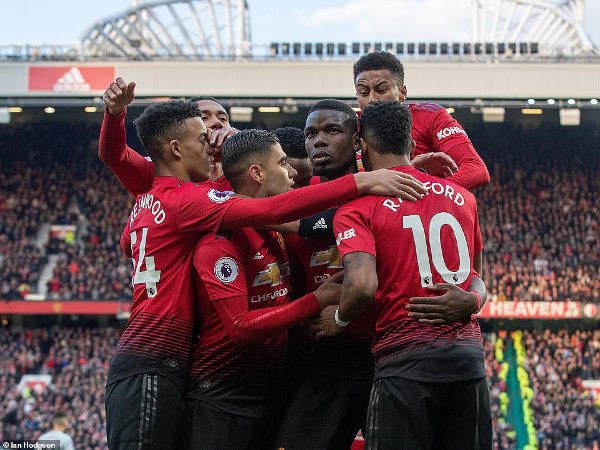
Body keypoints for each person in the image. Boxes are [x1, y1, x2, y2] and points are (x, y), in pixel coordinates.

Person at [102, 93, 426, 449]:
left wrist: (408, 166)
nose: (211, 141)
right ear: (176, 148)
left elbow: (127, 231)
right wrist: (363, 183)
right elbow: (269, 211)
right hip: (189, 375)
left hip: (210, 372)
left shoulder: (156, 196)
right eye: (203, 133)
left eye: (221, 120)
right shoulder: (200, 214)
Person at [275, 99, 487, 450]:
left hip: (391, 351)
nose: (319, 141)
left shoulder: (367, 203)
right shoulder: (297, 196)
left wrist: (339, 316)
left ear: (358, 143)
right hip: (332, 357)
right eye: (310, 134)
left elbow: (361, 282)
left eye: (332, 130)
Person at [182, 129, 344, 449]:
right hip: (223, 398)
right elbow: (240, 327)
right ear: (257, 173)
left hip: (267, 390)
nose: (293, 172)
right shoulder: (221, 242)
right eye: (283, 163)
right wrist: (317, 300)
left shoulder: (274, 228)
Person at [353, 51, 490, 191]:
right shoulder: (349, 127)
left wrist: (428, 191)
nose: (371, 99)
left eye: (381, 90)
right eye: (363, 92)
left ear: (402, 92)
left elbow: (476, 169)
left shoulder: (429, 116)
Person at [99, 78, 236, 196]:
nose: (218, 123)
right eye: (204, 117)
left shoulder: (246, 167)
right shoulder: (160, 169)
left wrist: (244, 146)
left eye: (223, 119)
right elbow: (114, 156)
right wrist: (115, 113)